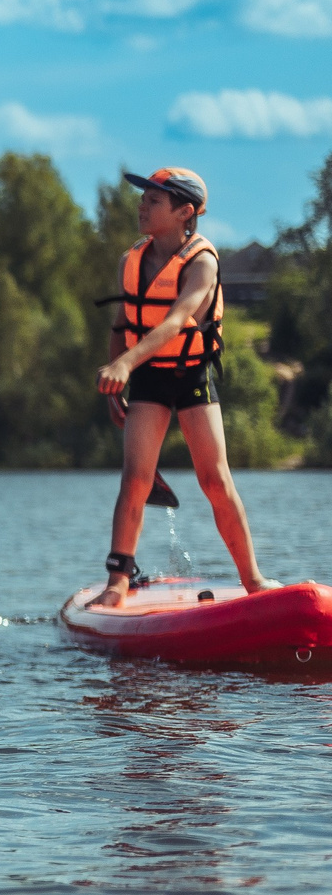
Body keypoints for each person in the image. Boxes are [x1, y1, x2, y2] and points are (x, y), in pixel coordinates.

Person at [89, 167, 271, 608]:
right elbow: (122, 325)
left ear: (184, 212)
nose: (142, 205)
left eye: (153, 200)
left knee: (214, 479)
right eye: (143, 198)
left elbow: (175, 321)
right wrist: (116, 385)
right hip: (148, 377)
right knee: (135, 478)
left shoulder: (202, 263)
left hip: (191, 375)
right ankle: (117, 582)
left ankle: (254, 581)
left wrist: (125, 364)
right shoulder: (131, 261)